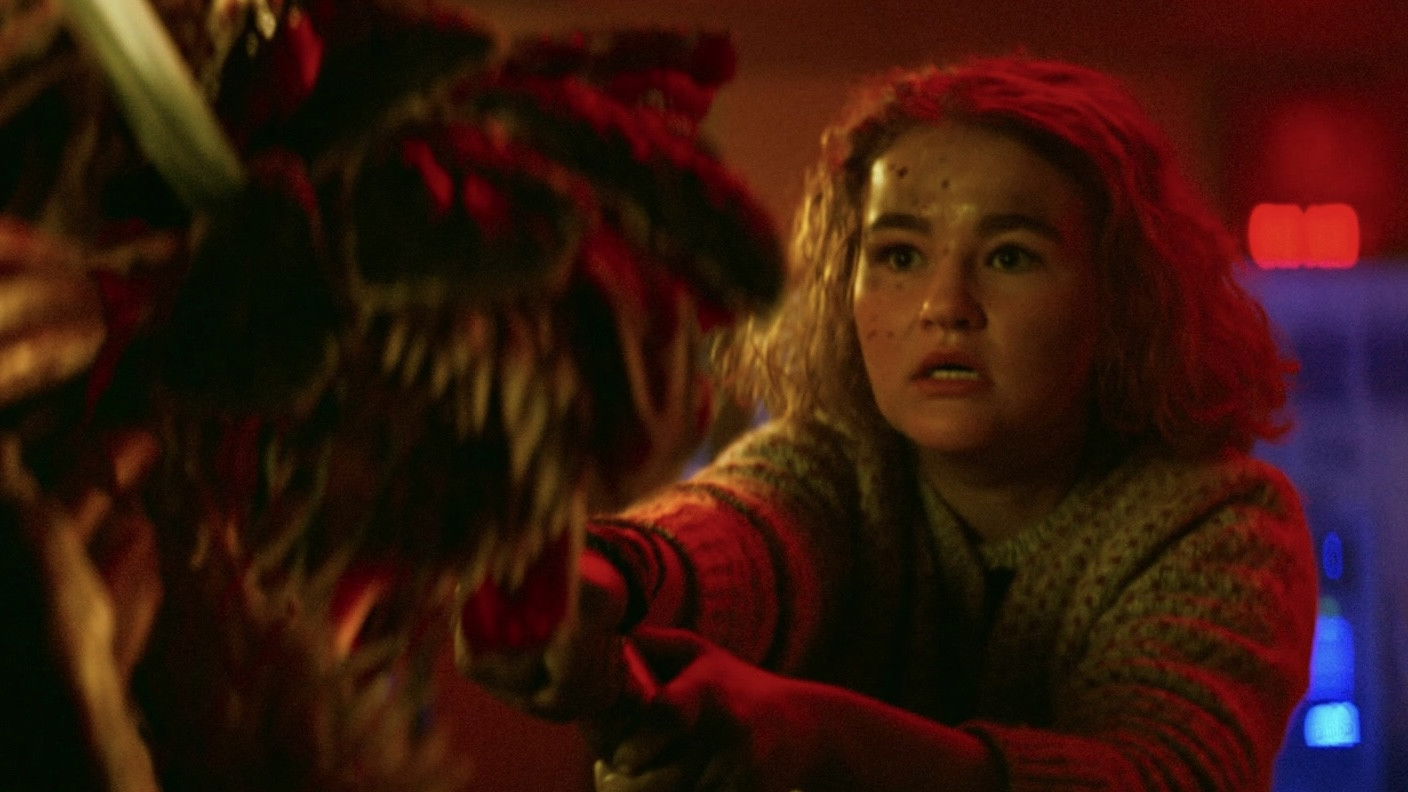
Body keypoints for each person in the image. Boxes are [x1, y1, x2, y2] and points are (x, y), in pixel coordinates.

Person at [462, 55, 1318, 792]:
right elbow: (741, 532)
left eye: (1010, 256)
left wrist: (826, 737)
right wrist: (594, 577)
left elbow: (1162, 777)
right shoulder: (840, 468)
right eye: (899, 255)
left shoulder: (1220, 522)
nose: (944, 305)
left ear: (1124, 298)